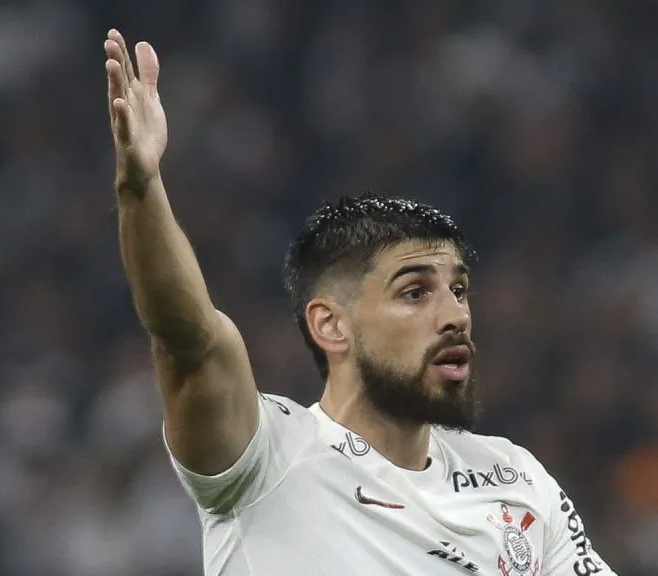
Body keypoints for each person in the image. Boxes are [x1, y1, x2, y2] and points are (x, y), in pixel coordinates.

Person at [103, 28, 617, 575]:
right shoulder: (269, 455)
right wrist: (141, 186)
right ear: (331, 325)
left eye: (460, 290)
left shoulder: (516, 480)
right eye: (415, 292)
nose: (455, 316)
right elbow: (189, 341)